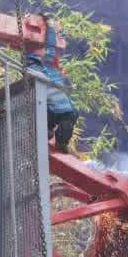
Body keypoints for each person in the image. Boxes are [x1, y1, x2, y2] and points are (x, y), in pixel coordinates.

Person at [23, 16, 79, 154]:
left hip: (43, 81)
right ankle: (57, 140)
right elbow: (50, 46)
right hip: (42, 75)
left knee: (58, 112)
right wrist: (49, 25)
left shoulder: (40, 60)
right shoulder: (43, 60)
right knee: (69, 113)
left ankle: (47, 131)